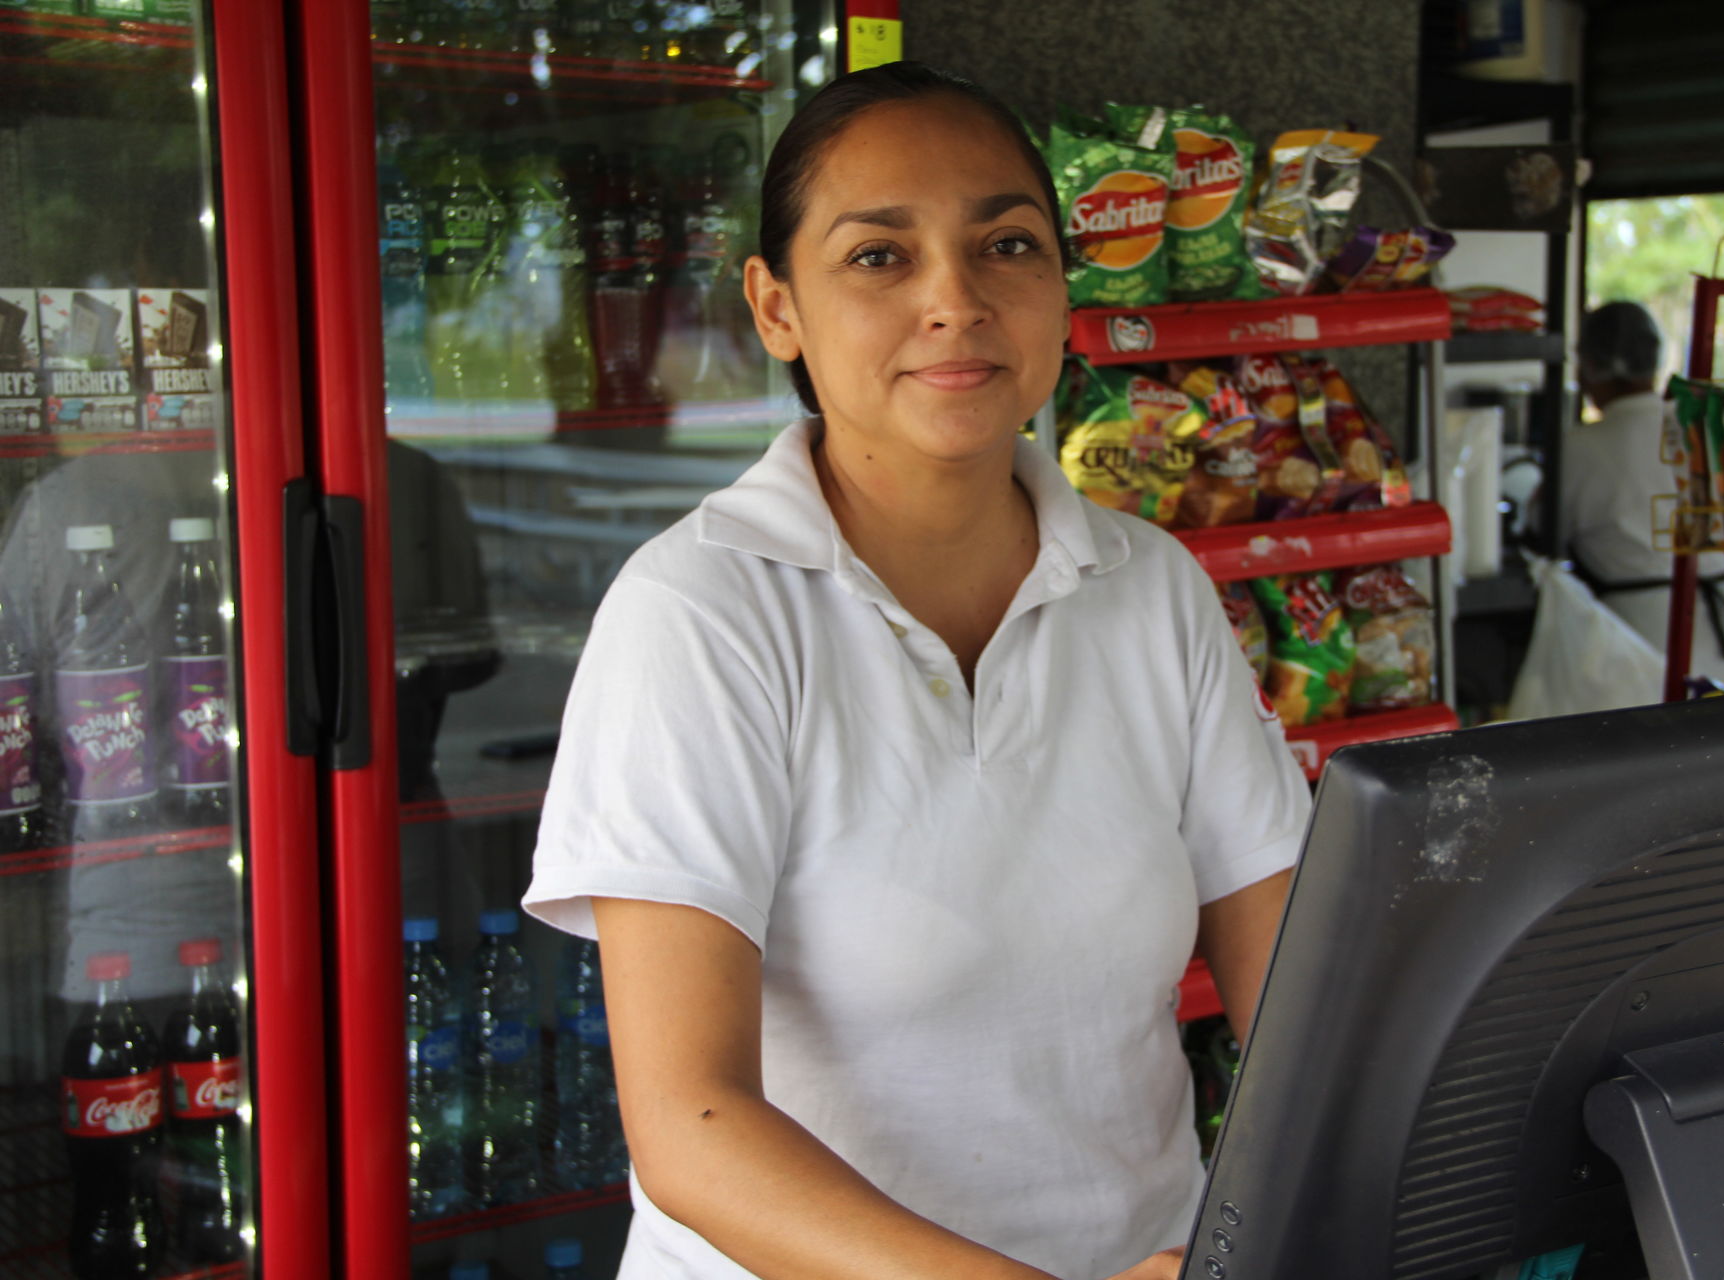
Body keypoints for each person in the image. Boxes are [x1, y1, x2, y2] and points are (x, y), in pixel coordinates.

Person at [522, 62, 1310, 1280]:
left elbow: (1302, 1006)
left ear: (1061, 286)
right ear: (776, 308)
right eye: (880, 257)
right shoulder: (702, 613)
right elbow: (690, 1126)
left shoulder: (1151, 589)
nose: (956, 298)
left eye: (1007, 243)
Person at [1564, 301, 1724, 689]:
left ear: (1590, 367)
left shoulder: (1579, 447)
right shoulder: (1700, 430)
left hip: (1642, 637)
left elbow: (1545, 530)